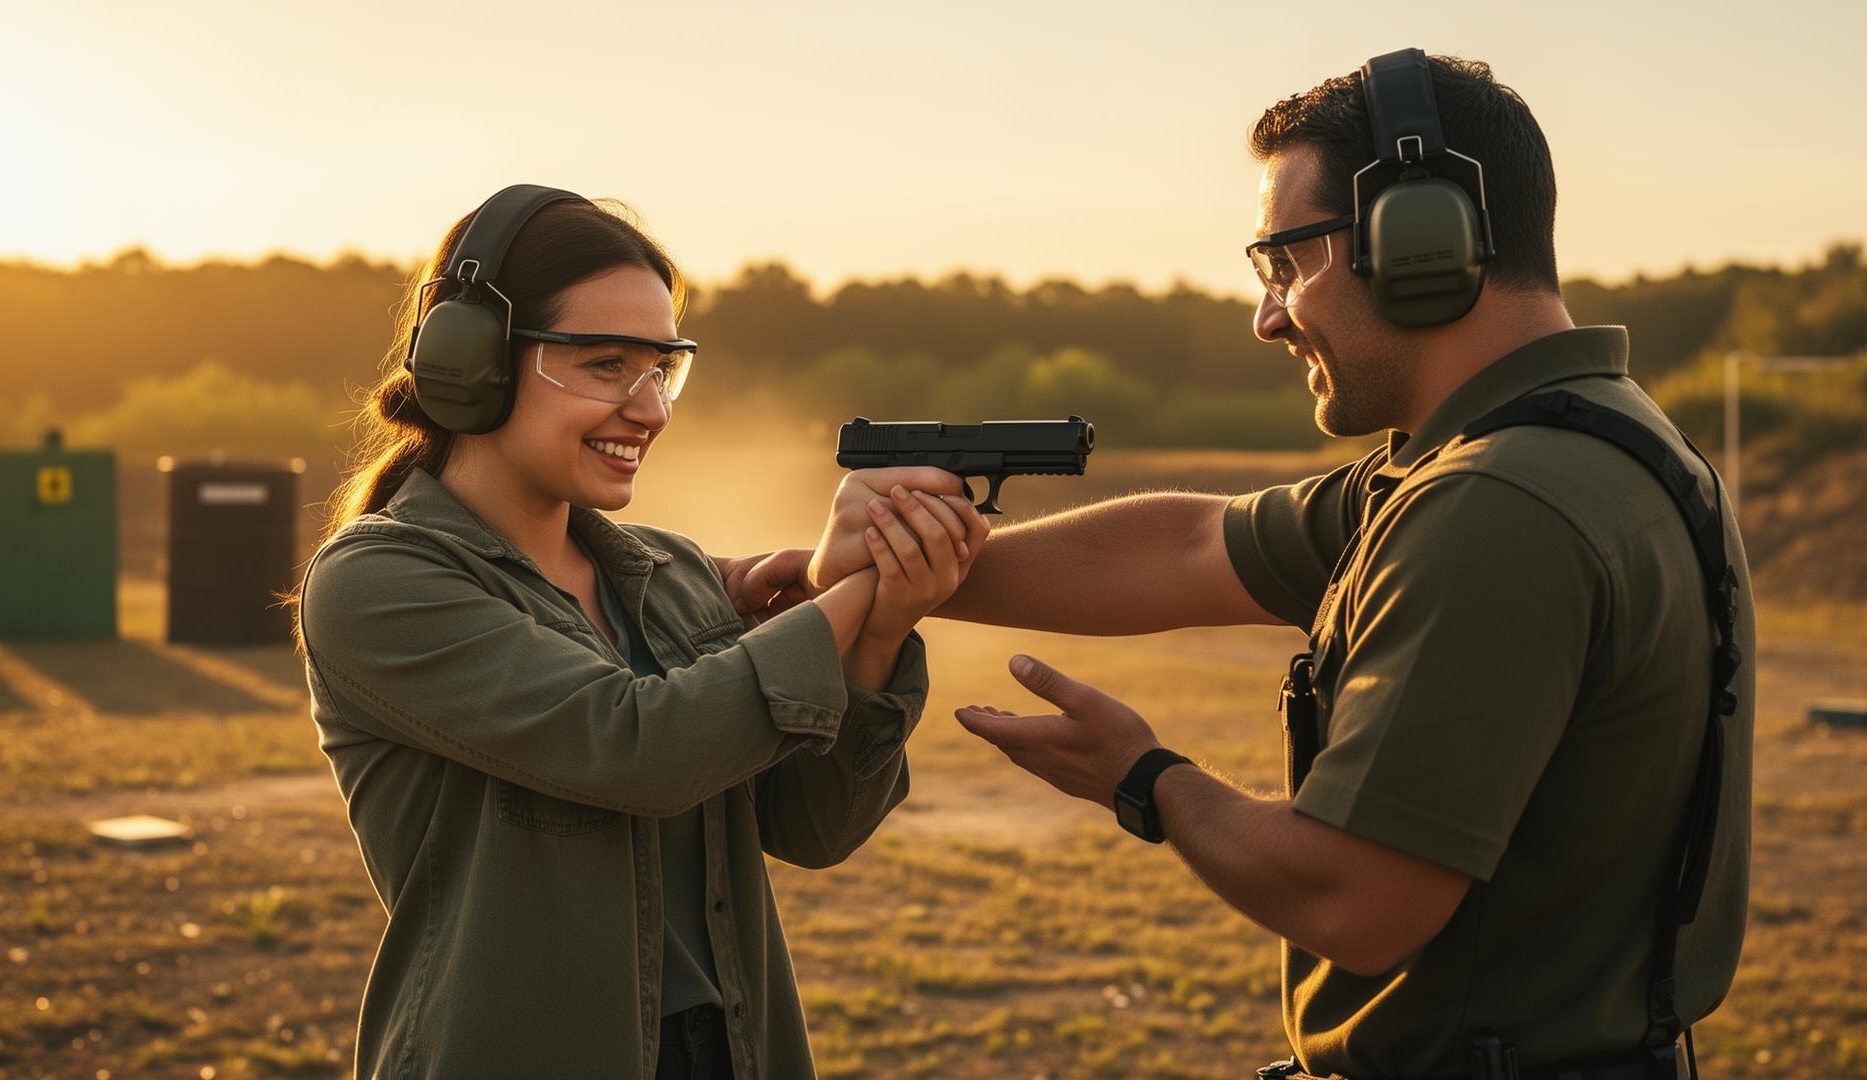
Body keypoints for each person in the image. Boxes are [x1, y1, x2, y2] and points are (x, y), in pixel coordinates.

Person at [735, 52, 1754, 1080]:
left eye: (1288, 264)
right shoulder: (1565, 446)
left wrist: (1145, 778)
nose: (1269, 316)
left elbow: (1355, 900)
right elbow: (1189, 545)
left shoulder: (1496, 504)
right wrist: (883, 572)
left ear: (1421, 240)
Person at [292, 188, 988, 1080]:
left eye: (662, 370)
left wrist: (879, 631)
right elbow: (637, 746)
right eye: (607, 364)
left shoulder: (674, 572)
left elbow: (814, 828)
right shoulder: (375, 583)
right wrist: (850, 592)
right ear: (474, 363)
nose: (651, 409)